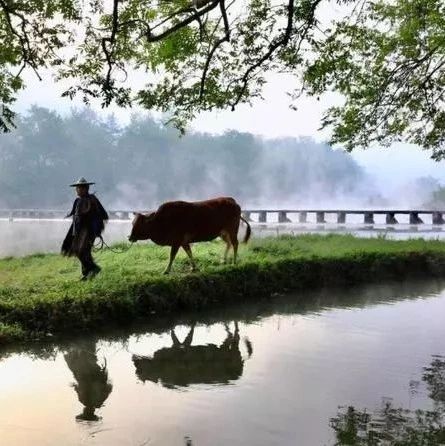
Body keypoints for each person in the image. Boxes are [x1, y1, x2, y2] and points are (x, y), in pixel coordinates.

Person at [61, 177, 108, 280]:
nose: (77, 190)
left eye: (79, 188)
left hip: (88, 231)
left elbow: (103, 215)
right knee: (82, 251)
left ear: (85, 189)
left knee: (81, 251)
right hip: (79, 231)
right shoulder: (78, 200)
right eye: (77, 188)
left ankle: (93, 269)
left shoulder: (92, 200)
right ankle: (87, 274)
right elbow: (77, 218)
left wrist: (94, 228)